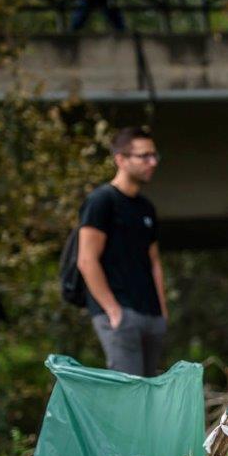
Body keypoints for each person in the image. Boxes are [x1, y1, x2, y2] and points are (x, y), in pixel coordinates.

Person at [76, 125, 167, 377]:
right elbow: (86, 259)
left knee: (148, 397)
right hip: (120, 315)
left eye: (154, 155)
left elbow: (154, 261)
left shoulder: (146, 207)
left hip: (150, 315)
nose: (152, 162)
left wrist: (162, 312)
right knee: (128, 396)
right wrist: (113, 311)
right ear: (121, 159)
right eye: (144, 156)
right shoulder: (101, 201)